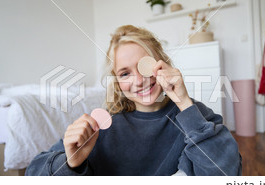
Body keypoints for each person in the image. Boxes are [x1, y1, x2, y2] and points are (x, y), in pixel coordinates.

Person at [25, 25, 241, 176]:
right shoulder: (103, 124)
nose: (139, 80)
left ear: (162, 63)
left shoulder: (195, 114)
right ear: (117, 82)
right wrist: (71, 163)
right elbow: (33, 173)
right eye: (125, 73)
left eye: (144, 65)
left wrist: (185, 104)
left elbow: (225, 175)